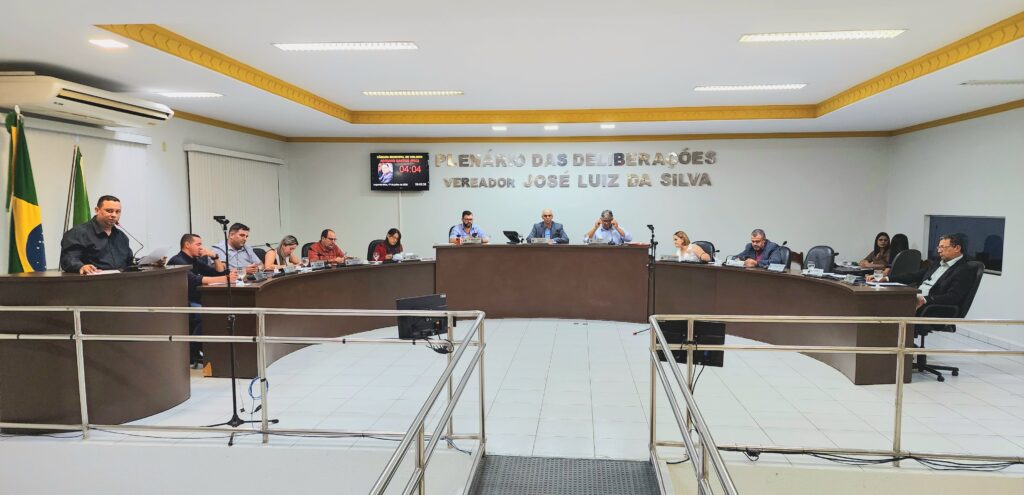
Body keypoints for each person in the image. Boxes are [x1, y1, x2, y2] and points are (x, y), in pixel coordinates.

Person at [168, 233, 235, 367]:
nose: (201, 248)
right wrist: (225, 279)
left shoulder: (195, 260)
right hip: (183, 301)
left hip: (198, 298)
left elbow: (218, 272)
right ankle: (192, 352)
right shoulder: (177, 260)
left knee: (217, 309)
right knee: (206, 314)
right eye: (198, 244)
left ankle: (204, 350)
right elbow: (194, 280)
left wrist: (215, 257)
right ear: (187, 245)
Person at [885, 233, 976, 310]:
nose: (939, 251)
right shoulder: (938, 262)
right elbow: (914, 276)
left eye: (943, 247)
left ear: (957, 248)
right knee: (886, 301)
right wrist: (887, 279)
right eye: (938, 247)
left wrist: (925, 299)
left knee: (888, 307)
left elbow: (952, 297)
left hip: (931, 306)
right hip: (916, 297)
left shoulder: (964, 269)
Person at [60, 195, 134, 274]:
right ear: (97, 210)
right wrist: (81, 267)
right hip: (91, 280)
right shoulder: (78, 233)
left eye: (117, 212)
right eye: (109, 211)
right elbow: (69, 259)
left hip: (122, 280)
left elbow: (129, 262)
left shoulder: (121, 236)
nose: (114, 215)